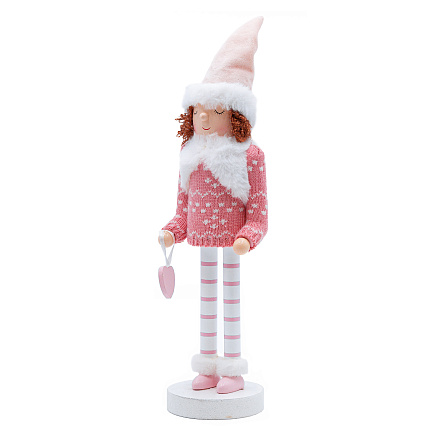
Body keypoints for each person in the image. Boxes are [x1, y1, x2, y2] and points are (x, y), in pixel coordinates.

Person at [158, 17, 267, 394]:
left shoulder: (250, 156)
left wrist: (249, 235)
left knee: (230, 299)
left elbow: (259, 212)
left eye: (215, 110)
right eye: (198, 109)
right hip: (202, 240)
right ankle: (208, 363)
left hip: (235, 242)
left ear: (236, 116)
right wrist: (173, 230)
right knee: (206, 299)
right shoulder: (189, 155)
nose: (203, 117)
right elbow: (183, 206)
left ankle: (233, 369)